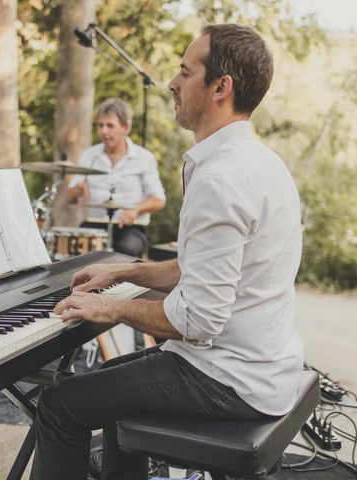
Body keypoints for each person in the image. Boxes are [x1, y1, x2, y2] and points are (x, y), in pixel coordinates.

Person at [30, 23, 304, 480]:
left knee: (59, 405)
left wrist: (110, 308)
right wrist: (128, 272)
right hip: (257, 364)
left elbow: (196, 320)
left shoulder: (221, 179)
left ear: (221, 87)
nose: (173, 84)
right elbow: (205, 271)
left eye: (184, 71)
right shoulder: (261, 163)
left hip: (230, 378)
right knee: (108, 390)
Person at [66, 98, 166, 257]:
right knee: (76, 251)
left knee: (125, 252)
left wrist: (135, 209)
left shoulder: (144, 158)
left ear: (125, 127)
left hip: (131, 228)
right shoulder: (89, 156)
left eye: (110, 126)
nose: (104, 131)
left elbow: (158, 199)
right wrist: (76, 192)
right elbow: (69, 197)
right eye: (100, 125)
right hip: (95, 225)